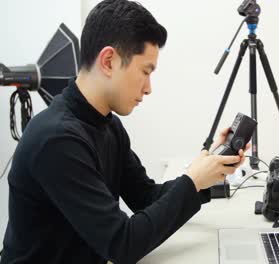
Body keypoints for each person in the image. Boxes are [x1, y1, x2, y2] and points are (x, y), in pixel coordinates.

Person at [0, 0, 247, 263]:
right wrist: (192, 181)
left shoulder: (107, 124)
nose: (149, 88)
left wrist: (207, 171)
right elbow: (122, 244)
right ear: (108, 61)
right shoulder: (57, 139)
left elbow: (145, 197)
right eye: (145, 71)